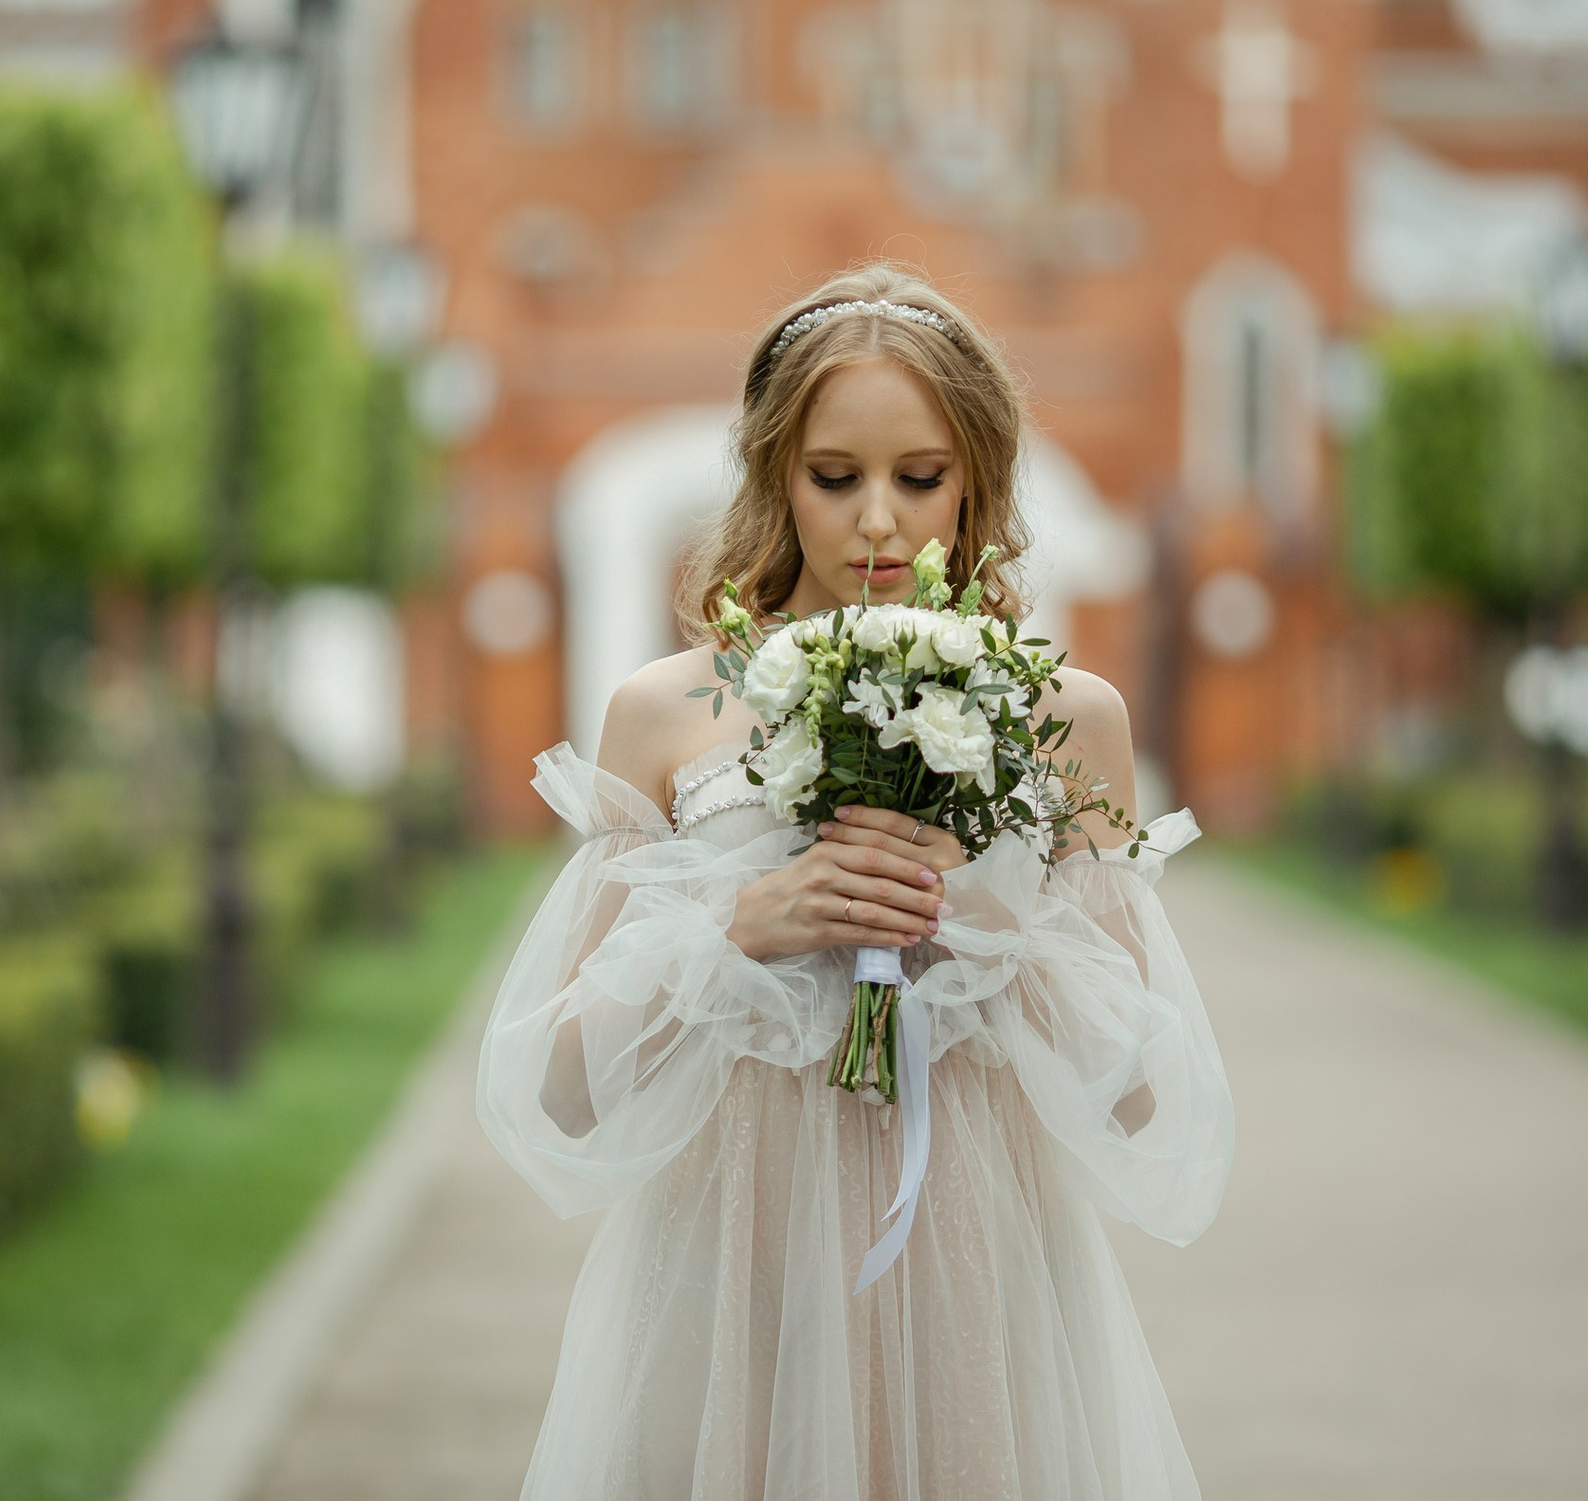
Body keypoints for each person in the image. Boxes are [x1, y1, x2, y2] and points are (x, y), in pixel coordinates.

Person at [475, 262, 1235, 1501]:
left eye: (919, 478)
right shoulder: (665, 714)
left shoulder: (1068, 718)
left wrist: (981, 923)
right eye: (834, 478)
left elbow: (1142, 1092)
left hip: (975, 1268)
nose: (878, 521)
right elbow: (566, 1087)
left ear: (978, 480)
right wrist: (740, 925)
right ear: (776, 477)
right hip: (737, 1264)